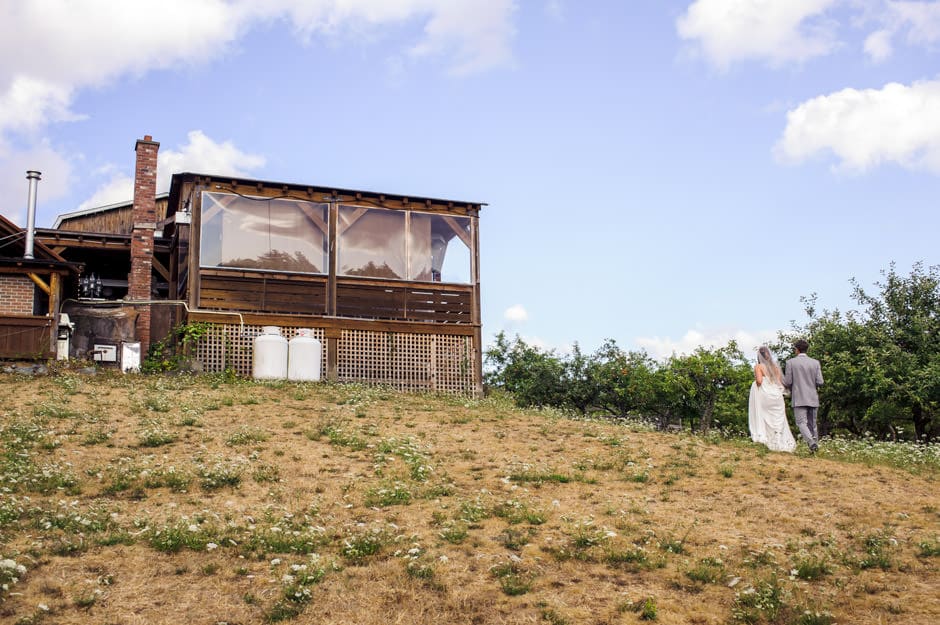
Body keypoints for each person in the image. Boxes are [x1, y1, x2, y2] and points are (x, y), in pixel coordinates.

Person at [748, 346, 796, 452]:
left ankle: (766, 439)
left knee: (764, 416)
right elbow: (778, 382)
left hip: (765, 395)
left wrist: (754, 384)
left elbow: (759, 381)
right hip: (776, 395)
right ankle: (779, 442)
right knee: (778, 418)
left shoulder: (758, 367)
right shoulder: (775, 367)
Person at [783, 339, 824, 453]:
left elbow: (788, 382)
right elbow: (820, 381)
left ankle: (811, 443)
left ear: (796, 349)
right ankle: (814, 447)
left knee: (801, 423)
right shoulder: (815, 363)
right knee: (813, 424)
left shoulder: (790, 362)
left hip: (799, 397)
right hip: (813, 397)